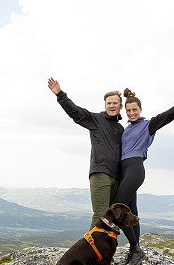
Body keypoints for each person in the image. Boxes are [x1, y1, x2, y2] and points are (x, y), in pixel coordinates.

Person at [115, 87, 174, 265]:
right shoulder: (126, 129)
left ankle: (136, 249)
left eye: (135, 110)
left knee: (117, 210)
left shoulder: (148, 124)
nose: (131, 113)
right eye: (129, 111)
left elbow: (167, 115)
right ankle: (134, 251)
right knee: (132, 211)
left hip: (135, 168)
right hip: (124, 171)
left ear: (140, 109)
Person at [48, 77, 125, 229]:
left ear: (120, 106)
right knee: (101, 214)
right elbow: (75, 112)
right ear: (105, 105)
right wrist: (60, 94)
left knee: (111, 216)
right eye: (108, 103)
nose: (111, 105)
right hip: (100, 173)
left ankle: (103, 248)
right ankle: (90, 250)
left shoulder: (121, 129)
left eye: (115, 103)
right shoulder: (96, 119)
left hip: (116, 177)